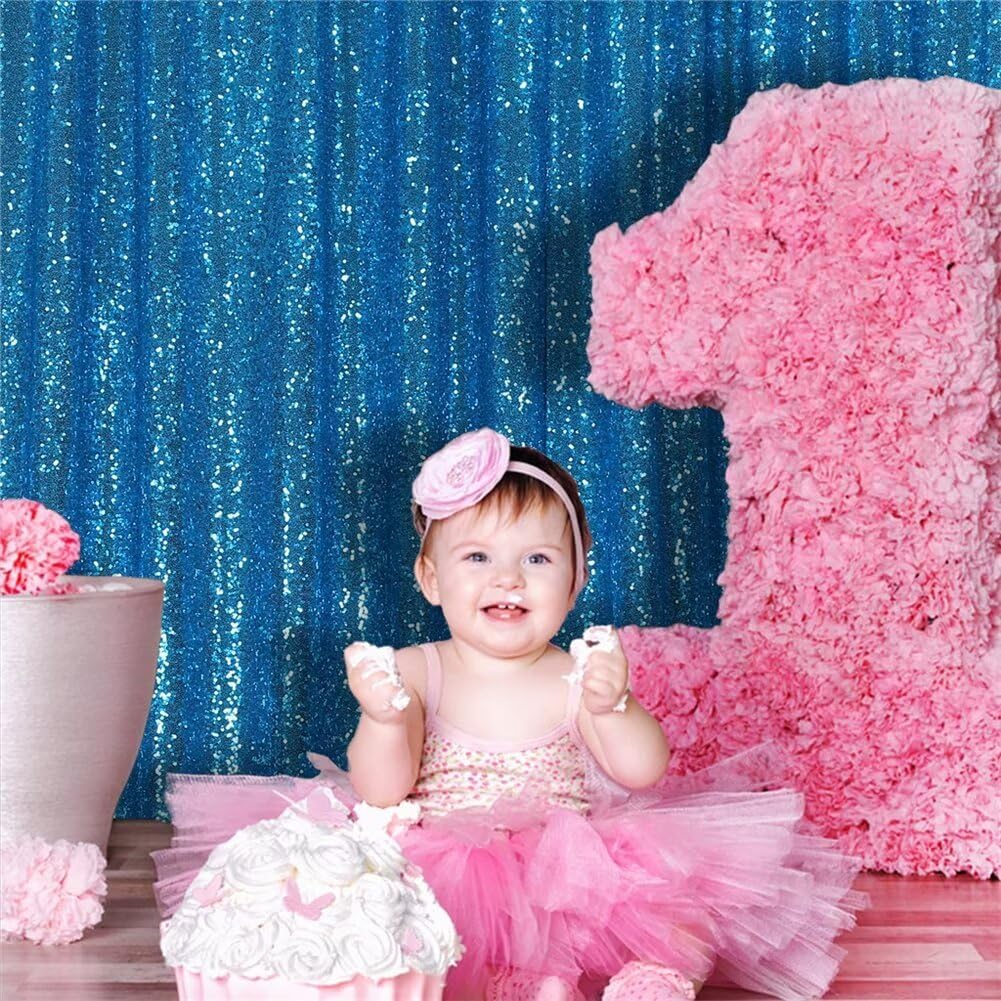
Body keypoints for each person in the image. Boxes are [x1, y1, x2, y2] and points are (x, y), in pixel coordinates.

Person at [153, 428, 870, 1001]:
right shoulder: (415, 669)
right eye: (477, 557)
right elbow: (381, 790)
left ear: (574, 580)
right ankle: (516, 982)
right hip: (443, 860)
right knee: (412, 921)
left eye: (537, 559)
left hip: (567, 867)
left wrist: (613, 705)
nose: (507, 578)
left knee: (679, 916)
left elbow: (642, 771)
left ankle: (646, 976)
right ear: (431, 578)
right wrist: (382, 718)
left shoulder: (575, 674)